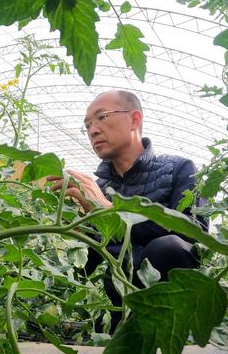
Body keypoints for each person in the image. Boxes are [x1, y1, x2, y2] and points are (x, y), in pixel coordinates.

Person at [48, 90, 208, 330]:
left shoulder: (179, 168)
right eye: (88, 125)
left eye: (102, 117)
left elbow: (196, 234)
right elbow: (85, 266)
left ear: (134, 120)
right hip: (122, 311)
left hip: (175, 307)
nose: (92, 130)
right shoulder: (100, 188)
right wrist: (77, 232)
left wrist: (108, 209)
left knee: (167, 247)